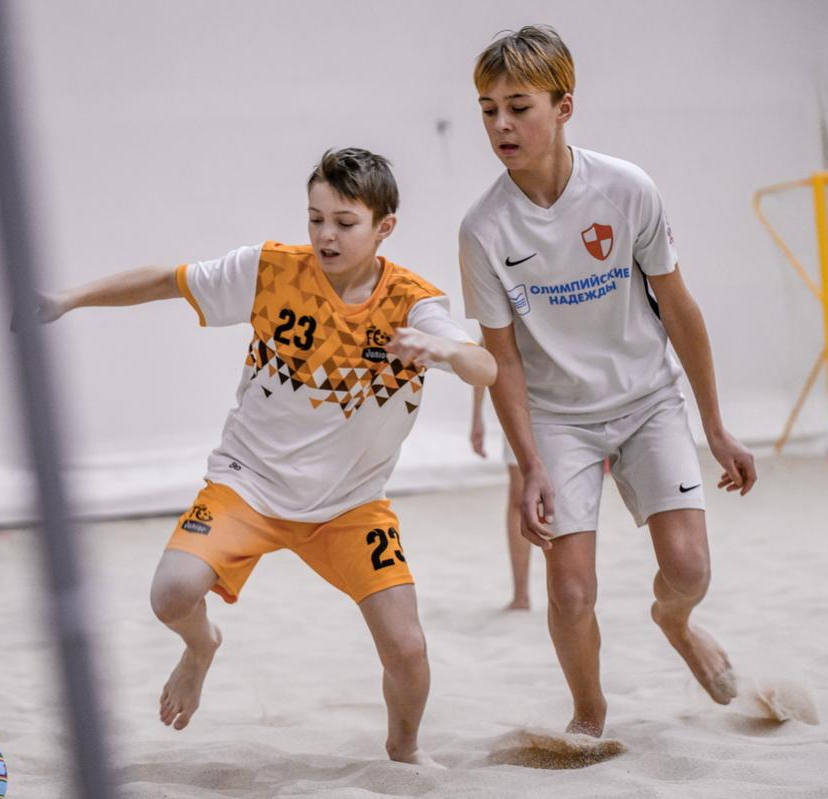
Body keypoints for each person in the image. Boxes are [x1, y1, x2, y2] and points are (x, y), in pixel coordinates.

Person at [38, 148, 495, 764]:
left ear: (384, 226)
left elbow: (484, 366)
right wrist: (68, 298)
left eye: (345, 222)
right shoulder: (269, 269)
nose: (326, 235)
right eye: (315, 218)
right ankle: (201, 647)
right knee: (171, 594)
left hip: (349, 506)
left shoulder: (413, 305)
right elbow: (167, 280)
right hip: (248, 484)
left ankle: (404, 752)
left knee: (407, 649)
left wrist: (444, 351)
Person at [458, 26, 757, 738]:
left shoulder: (626, 188)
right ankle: (588, 715)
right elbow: (500, 357)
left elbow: (678, 308)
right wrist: (528, 464)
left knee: (688, 570)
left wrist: (715, 426)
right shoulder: (482, 229)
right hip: (557, 418)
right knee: (569, 591)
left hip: (647, 400)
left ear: (563, 107)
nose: (500, 125)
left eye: (518, 107)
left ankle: (674, 623)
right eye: (488, 109)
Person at [469, 385, 531, 611]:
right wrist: (477, 415)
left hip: (563, 403)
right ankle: (521, 595)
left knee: (561, 498)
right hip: (519, 404)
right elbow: (488, 361)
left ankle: (570, 588)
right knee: (520, 497)